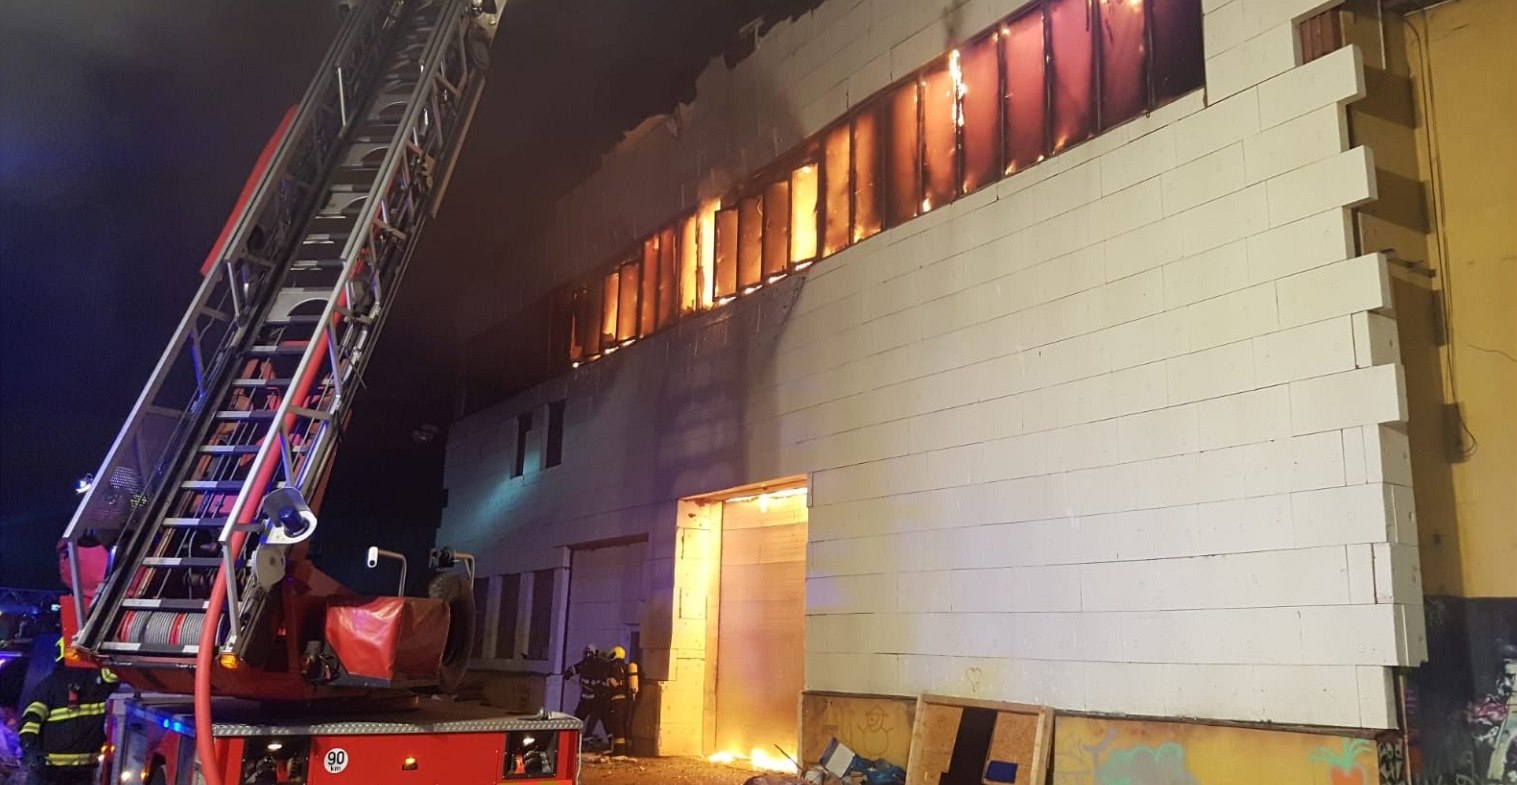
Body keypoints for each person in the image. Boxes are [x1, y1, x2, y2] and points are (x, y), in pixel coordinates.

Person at [17, 640, 117, 785]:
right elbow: (115, 672)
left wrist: (29, 747)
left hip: (52, 773)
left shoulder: (49, 685)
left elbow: (31, 718)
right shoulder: (96, 680)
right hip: (76, 773)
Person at [562, 645, 607, 744]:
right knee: (578, 718)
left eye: (589, 653)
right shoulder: (584, 664)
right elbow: (574, 668)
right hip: (585, 698)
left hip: (595, 699)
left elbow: (603, 680)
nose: (587, 655)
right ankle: (572, 738)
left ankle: (586, 738)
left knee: (594, 719)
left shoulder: (599, 665)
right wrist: (568, 673)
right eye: (586, 653)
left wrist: (601, 689)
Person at [602, 645, 639, 756]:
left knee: (617, 726)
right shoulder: (625, 667)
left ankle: (619, 751)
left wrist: (607, 682)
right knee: (624, 726)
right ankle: (628, 750)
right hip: (626, 701)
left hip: (617, 701)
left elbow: (614, 683)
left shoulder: (614, 667)